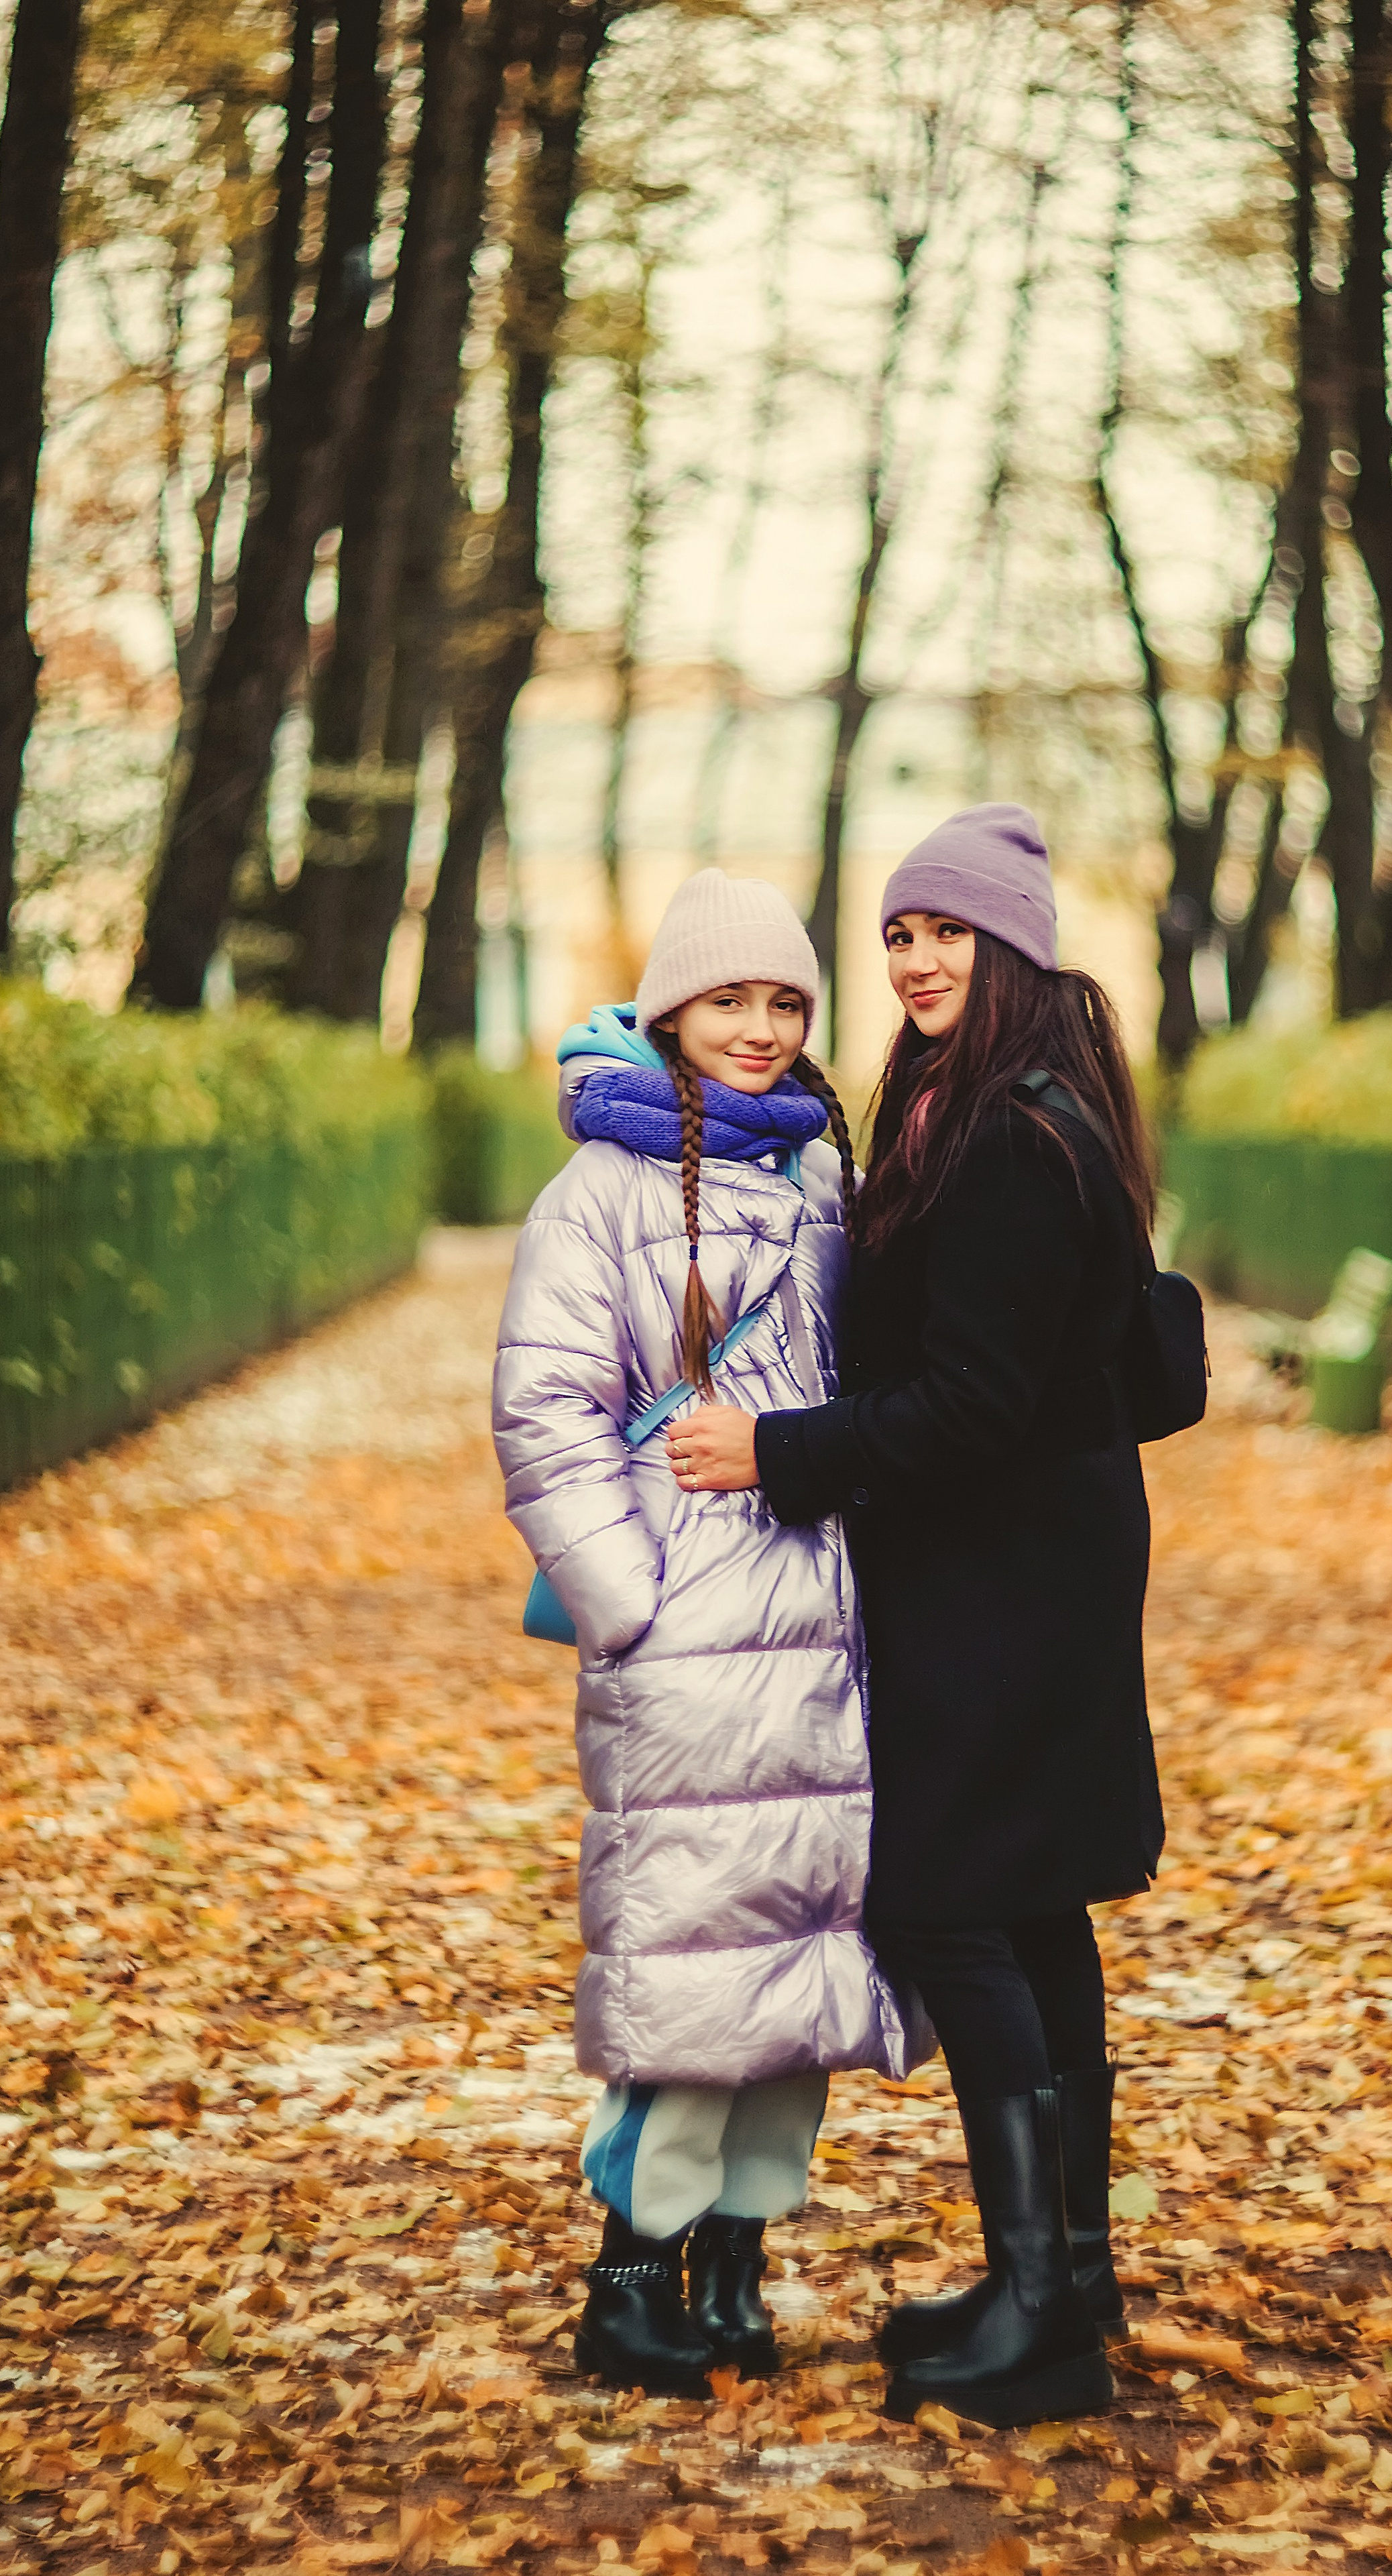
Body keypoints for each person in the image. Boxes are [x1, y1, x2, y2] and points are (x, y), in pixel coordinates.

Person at [673, 805, 1165, 2429]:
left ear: (1011, 943)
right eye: (897, 934)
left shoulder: (1014, 1136)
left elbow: (963, 1399)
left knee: (951, 1896)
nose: (916, 957)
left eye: (946, 931)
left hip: (1003, 1576)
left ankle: (1042, 2303)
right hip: (1021, 1563)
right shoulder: (986, 1103)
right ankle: (1058, 2279)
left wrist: (774, 1453)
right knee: (1026, 1905)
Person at [492, 869, 926, 2398]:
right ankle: (629, 2283)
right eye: (729, 1000)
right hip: (686, 1645)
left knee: (797, 1959)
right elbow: (545, 1410)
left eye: (785, 1002)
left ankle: (735, 2271)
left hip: (820, 1629)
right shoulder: (600, 1190)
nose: (758, 1029)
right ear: (671, 1008)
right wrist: (633, 1597)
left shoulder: (820, 1172)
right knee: (690, 1977)